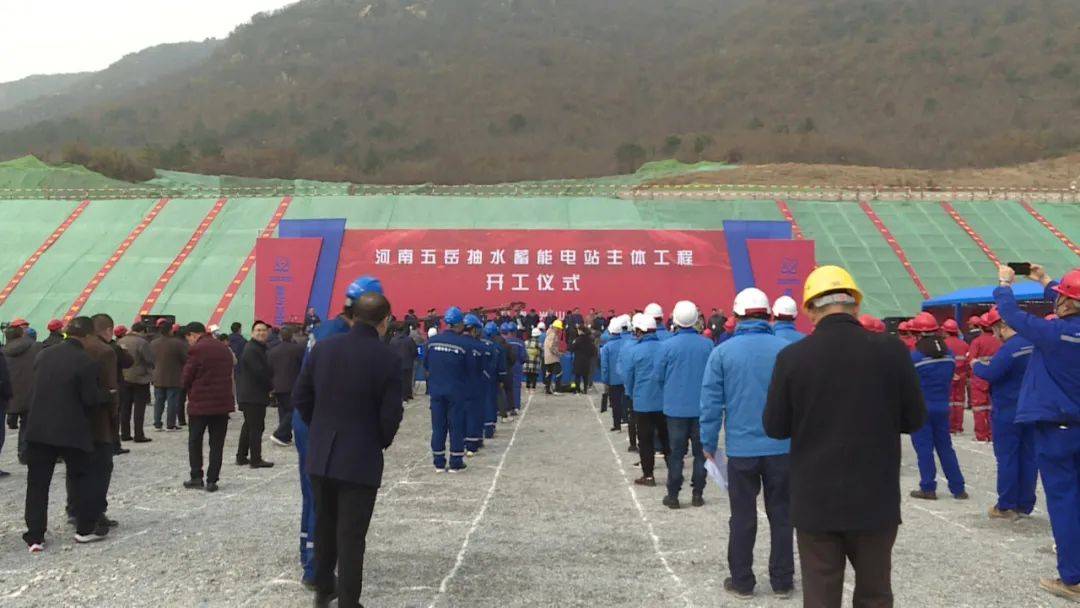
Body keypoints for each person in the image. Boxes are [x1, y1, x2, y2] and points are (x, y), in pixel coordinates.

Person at [763, 265, 926, 607]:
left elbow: (775, 427)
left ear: (810, 309)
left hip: (816, 502)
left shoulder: (792, 358)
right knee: (875, 594)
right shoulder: (892, 350)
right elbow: (914, 419)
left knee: (821, 595)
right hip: (875, 499)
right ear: (856, 304)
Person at [294, 290, 403, 608]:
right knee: (352, 536)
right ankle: (349, 601)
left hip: (322, 454)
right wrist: (377, 440)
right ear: (384, 321)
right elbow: (391, 414)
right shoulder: (387, 358)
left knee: (324, 525)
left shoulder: (324, 348)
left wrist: (320, 428)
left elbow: (301, 397)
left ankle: (323, 589)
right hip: (359, 458)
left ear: (353, 315)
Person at [994, 264, 1080, 601]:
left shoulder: (1054, 334)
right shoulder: (1057, 330)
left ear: (1067, 302)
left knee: (1064, 502)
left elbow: (1011, 314)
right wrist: (1045, 280)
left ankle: (1073, 578)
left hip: (1057, 428)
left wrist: (1005, 283)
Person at [700, 288, 794, 599]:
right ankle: (783, 581)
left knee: (742, 516)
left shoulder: (723, 353)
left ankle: (742, 581)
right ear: (768, 315)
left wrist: (708, 443)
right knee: (782, 515)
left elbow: (711, 403)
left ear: (737, 316)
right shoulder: (786, 350)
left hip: (742, 450)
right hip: (781, 448)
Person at [23, 317, 112, 551]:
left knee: (37, 484)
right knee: (82, 478)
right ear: (88, 336)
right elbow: (90, 399)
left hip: (39, 428)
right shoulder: (86, 361)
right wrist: (108, 395)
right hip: (71, 430)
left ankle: (35, 536)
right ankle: (84, 529)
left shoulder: (44, 354)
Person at [971, 307, 1036, 519]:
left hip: (1008, 410)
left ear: (1003, 326)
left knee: (1007, 457)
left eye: (995, 329)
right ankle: (1024, 504)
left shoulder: (1009, 349)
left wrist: (976, 365)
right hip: (1030, 409)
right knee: (1028, 457)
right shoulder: (1032, 342)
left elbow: (991, 373)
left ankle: (1006, 505)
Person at [655, 300, 713, 509]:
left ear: (676, 320)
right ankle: (697, 494)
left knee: (676, 453)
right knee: (700, 454)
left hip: (675, 408)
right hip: (701, 408)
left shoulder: (667, 346)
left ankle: (673, 495)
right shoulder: (707, 345)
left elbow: (658, 376)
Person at [906, 312, 967, 501]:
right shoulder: (949, 355)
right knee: (945, 448)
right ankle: (958, 488)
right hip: (942, 407)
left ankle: (928, 487)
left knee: (924, 449)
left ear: (918, 334)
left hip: (921, 409)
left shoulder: (915, 358)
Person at [181, 322, 236, 492]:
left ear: (193, 334)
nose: (189, 342)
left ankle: (196, 476)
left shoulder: (197, 349)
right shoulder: (223, 348)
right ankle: (212, 480)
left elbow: (187, 376)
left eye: (188, 339)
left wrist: (185, 388)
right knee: (217, 443)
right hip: (222, 403)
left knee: (195, 441)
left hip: (200, 404)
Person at [82, 314, 122, 529]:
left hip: (77, 419)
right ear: (108, 330)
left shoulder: (75, 347)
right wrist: (114, 417)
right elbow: (110, 388)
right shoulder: (105, 351)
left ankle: (76, 509)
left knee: (79, 468)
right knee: (101, 467)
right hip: (100, 419)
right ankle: (97, 512)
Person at [425, 307, 474, 473]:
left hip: (436, 391)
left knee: (438, 427)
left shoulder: (432, 342)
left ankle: (438, 462)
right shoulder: (464, 344)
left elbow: (426, 366)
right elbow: (470, 370)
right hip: (456, 392)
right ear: (459, 324)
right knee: (456, 426)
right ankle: (455, 462)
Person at [623, 313, 668, 486]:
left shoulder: (635, 351)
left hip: (642, 402)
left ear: (639, 331)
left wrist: (631, 393)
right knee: (666, 438)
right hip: (663, 401)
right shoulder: (665, 348)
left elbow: (629, 376)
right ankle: (674, 471)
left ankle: (648, 475)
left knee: (645, 440)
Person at [236, 320, 274, 468]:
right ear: (252, 333)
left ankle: (241, 456)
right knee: (256, 428)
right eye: (258, 330)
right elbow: (259, 372)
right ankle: (255, 459)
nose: (261, 333)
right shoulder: (252, 349)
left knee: (249, 426)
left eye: (264, 330)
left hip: (251, 394)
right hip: (253, 395)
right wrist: (271, 387)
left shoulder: (258, 347)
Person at [4, 323, 42, 465]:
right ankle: (24, 453)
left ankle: (11, 419)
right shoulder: (35, 347)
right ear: (21, 334)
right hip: (31, 391)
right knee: (27, 424)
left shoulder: (4, 351)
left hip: (11, 393)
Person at [117, 322, 154, 444]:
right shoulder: (142, 342)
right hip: (140, 378)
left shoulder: (121, 341)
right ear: (143, 331)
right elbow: (149, 359)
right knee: (139, 408)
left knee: (125, 407)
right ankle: (138, 434)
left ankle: (125, 433)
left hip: (124, 377)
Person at [269, 326, 306, 447]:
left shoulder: (273, 351)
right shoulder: (298, 349)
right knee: (293, 411)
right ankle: (280, 433)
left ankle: (285, 436)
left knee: (283, 411)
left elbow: (270, 369)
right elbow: (303, 366)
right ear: (291, 336)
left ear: (280, 336)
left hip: (278, 386)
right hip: (293, 385)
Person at [968, 312, 1001, 442]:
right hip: (995, 377)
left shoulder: (977, 342)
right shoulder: (999, 341)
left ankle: (981, 435)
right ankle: (993, 434)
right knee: (993, 407)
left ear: (980, 327)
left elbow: (971, 360)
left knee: (979, 408)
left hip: (979, 377)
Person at [150, 320, 187, 431]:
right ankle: (170, 424)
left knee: (158, 402)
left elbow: (150, 359)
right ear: (171, 330)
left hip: (158, 376)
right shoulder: (178, 343)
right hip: (174, 376)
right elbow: (185, 359)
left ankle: (157, 423)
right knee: (172, 402)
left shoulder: (153, 343)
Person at [599, 315, 630, 437]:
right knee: (626, 401)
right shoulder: (626, 343)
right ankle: (626, 419)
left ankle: (617, 424)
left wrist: (605, 380)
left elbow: (604, 366)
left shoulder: (607, 347)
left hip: (613, 380)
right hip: (625, 378)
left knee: (615, 403)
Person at [942, 319, 971, 435]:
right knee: (959, 402)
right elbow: (968, 362)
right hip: (961, 375)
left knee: (948, 400)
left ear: (946, 331)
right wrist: (968, 375)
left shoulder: (943, 344)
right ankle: (958, 427)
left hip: (947, 375)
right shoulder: (964, 345)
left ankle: (949, 426)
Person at [389, 324, 419, 401]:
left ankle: (400, 394)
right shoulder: (409, 340)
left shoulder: (393, 340)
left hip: (397, 363)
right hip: (408, 363)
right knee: (408, 379)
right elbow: (414, 351)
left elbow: (390, 352)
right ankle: (408, 394)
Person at [501, 323, 526, 414]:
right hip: (517, 366)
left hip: (507, 366)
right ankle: (516, 406)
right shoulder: (520, 342)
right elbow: (523, 357)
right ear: (515, 331)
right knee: (516, 387)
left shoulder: (504, 342)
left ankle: (506, 406)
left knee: (505, 387)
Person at [570, 327, 597, 394]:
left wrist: (573, 344)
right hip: (587, 361)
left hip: (578, 360)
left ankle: (577, 389)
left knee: (577, 375)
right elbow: (593, 351)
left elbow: (572, 348)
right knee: (585, 376)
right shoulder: (590, 340)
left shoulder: (577, 340)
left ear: (581, 331)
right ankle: (585, 390)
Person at [543, 319, 565, 394]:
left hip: (547, 357)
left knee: (549, 373)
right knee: (559, 373)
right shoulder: (553, 335)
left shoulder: (549, 333)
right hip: (553, 357)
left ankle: (547, 389)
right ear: (555, 327)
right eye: (558, 328)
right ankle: (557, 389)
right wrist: (558, 353)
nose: (559, 330)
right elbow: (551, 347)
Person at [523, 328, 542, 394]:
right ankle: (533, 389)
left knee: (528, 376)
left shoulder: (526, 342)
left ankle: (527, 388)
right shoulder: (538, 343)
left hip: (527, 362)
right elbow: (542, 351)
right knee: (534, 376)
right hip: (535, 362)